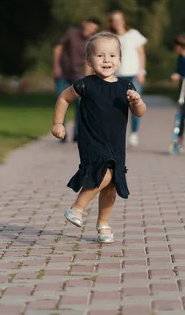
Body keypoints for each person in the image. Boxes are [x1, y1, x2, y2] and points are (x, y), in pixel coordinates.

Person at [52, 31, 147, 243]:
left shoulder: (126, 86)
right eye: (100, 55)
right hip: (92, 140)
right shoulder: (85, 84)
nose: (107, 60)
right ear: (88, 60)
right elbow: (63, 98)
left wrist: (136, 101)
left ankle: (103, 224)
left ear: (120, 60)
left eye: (112, 55)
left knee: (112, 184)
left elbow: (140, 113)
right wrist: (58, 123)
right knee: (104, 173)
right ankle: (77, 208)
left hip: (116, 143)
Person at [53, 17, 101, 142]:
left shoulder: (92, 41)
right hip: (63, 72)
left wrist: (88, 79)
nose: (91, 30)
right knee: (61, 100)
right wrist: (56, 66)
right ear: (84, 23)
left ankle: (77, 133)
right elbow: (58, 49)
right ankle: (61, 132)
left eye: (94, 29)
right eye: (90, 26)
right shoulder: (71, 33)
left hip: (78, 75)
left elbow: (89, 61)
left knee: (81, 104)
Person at [107, 10, 147, 147]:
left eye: (119, 19)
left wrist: (141, 71)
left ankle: (134, 133)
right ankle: (116, 134)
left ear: (124, 20)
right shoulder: (110, 37)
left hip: (134, 74)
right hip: (116, 75)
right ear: (111, 22)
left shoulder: (134, 34)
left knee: (135, 103)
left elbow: (141, 54)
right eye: (114, 20)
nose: (117, 22)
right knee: (116, 106)